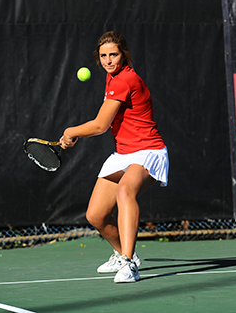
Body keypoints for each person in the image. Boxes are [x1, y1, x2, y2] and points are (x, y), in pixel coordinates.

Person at [60, 31, 169, 283]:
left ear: (124, 54)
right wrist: (76, 134)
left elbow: (100, 125)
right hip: (124, 152)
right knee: (96, 215)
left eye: (114, 54)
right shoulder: (112, 78)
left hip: (148, 151)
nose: (109, 60)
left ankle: (130, 264)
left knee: (124, 191)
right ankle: (122, 252)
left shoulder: (124, 80)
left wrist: (71, 131)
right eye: (104, 56)